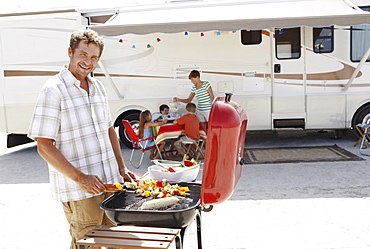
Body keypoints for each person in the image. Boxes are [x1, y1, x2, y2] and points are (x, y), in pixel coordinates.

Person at [27, 29, 136, 249]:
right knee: (89, 245)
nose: (88, 61)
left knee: (117, 241)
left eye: (94, 57)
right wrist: (81, 178)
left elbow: (109, 130)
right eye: (83, 54)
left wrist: (121, 168)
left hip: (110, 183)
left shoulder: (98, 87)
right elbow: (44, 145)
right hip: (80, 191)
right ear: (70, 52)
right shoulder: (53, 90)